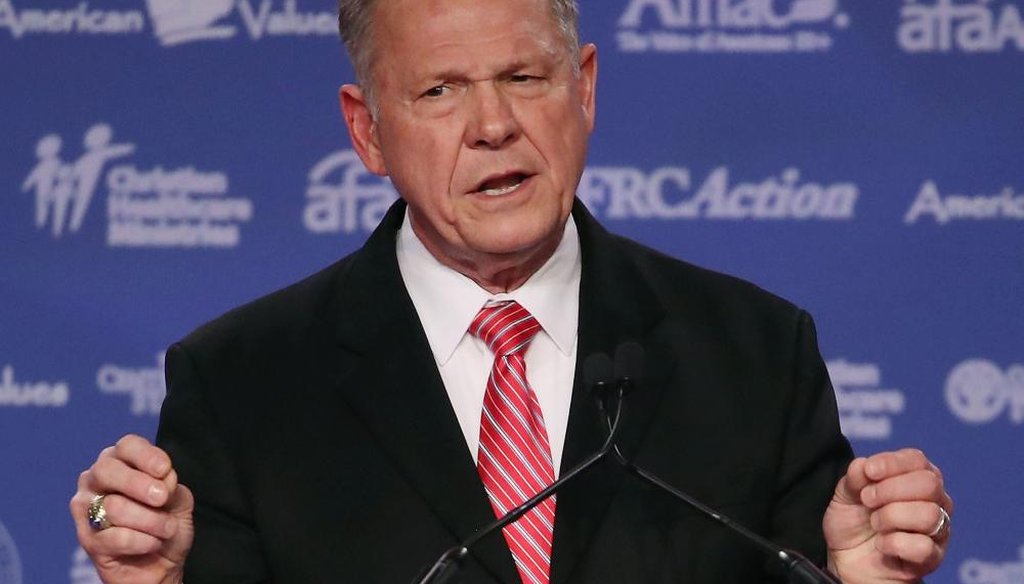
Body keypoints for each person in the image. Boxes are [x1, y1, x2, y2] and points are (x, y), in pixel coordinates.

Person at [70, 0, 953, 582]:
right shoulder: (241, 385)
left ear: (586, 91)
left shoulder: (754, 353)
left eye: (525, 78)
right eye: (440, 91)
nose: (493, 126)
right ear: (366, 132)